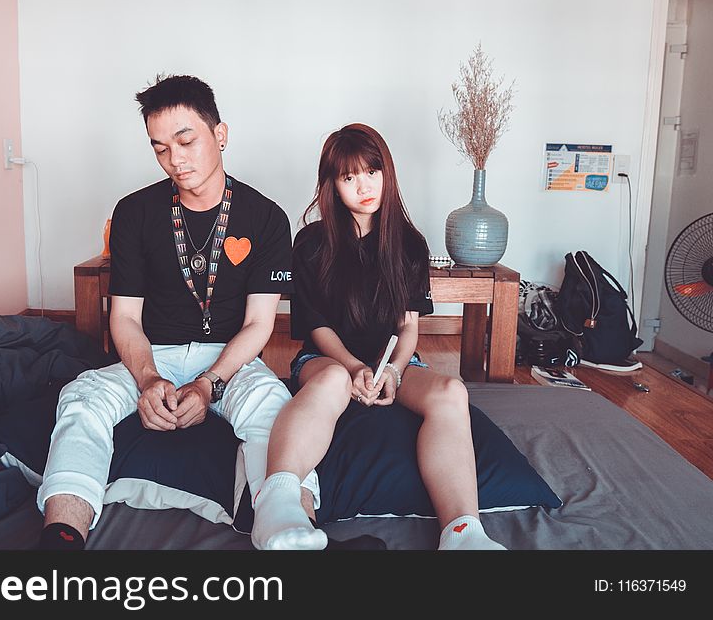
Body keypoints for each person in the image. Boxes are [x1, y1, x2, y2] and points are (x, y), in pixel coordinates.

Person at [36, 74, 322, 549]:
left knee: (275, 410)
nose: (175, 159)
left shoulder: (266, 217)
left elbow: (259, 325)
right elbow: (125, 318)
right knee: (82, 399)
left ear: (220, 134)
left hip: (230, 360)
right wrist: (147, 378)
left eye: (186, 140)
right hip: (153, 354)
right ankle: (61, 538)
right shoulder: (133, 212)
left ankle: (289, 528)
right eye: (160, 147)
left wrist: (210, 384)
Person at [251, 123, 506, 550]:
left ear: (386, 172)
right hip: (327, 359)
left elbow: (408, 327)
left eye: (371, 172)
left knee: (450, 391)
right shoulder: (311, 242)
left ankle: (463, 533)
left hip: (393, 359)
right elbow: (315, 326)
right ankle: (276, 502)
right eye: (348, 177)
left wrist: (393, 369)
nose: (363, 186)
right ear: (332, 185)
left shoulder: (409, 243)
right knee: (332, 380)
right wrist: (352, 366)